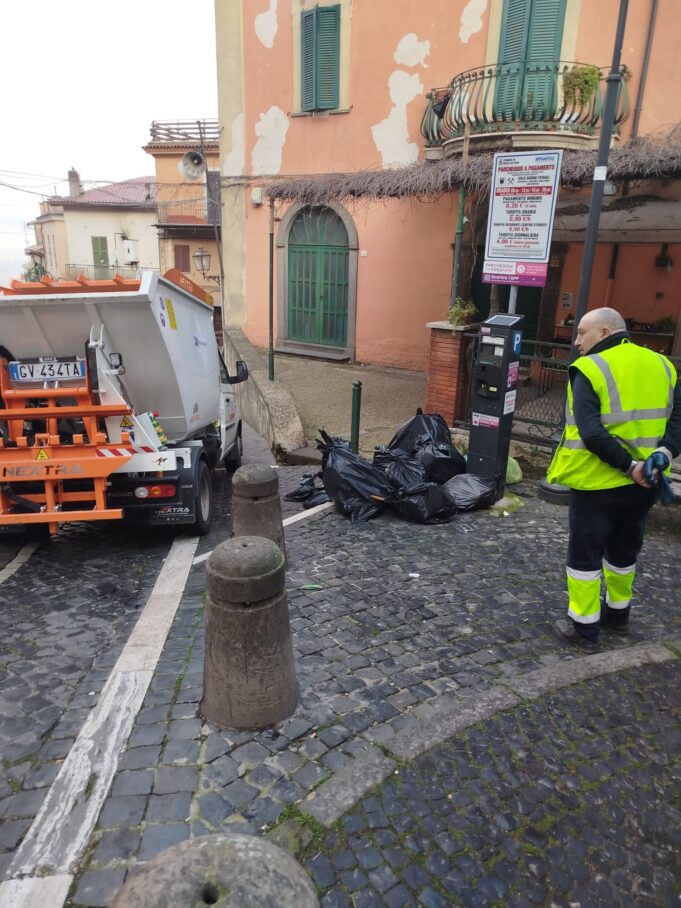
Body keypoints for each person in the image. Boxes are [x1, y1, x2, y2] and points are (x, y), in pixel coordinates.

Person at [547, 307, 681, 651]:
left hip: (598, 483)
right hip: (646, 484)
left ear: (605, 333)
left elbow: (591, 432)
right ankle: (618, 617)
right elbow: (677, 421)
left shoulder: (590, 368)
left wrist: (627, 465)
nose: (577, 341)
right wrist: (663, 455)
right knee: (624, 551)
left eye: (582, 333)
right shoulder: (663, 365)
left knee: (585, 557)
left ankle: (584, 629)